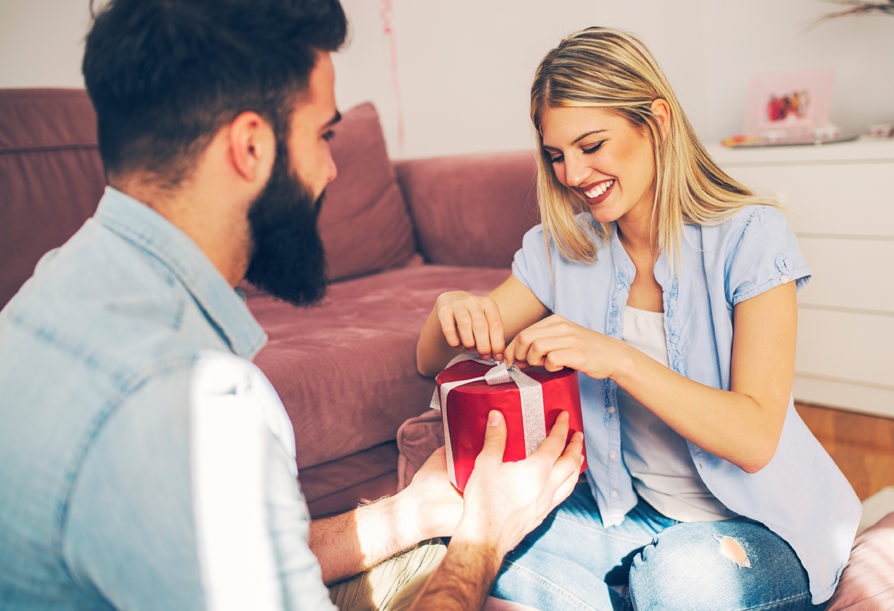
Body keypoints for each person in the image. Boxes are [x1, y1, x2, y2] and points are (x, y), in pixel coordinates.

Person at [0, 1, 583, 609]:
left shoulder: (53, 289)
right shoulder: (196, 403)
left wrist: (407, 516)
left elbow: (232, 554)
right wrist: (484, 536)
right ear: (250, 146)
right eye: (324, 134)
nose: (332, 169)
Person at [416, 27, 861, 610]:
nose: (572, 174)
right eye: (556, 155)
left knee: (680, 581)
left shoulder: (752, 236)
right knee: (476, 546)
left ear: (656, 121)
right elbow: (430, 359)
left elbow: (753, 438)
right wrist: (450, 306)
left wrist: (615, 357)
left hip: (759, 527)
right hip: (625, 519)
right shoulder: (563, 248)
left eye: (591, 145)